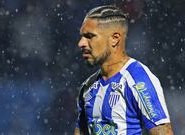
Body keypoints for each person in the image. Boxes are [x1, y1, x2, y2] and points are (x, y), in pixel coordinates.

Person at [74, 5, 174, 135]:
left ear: (115, 38)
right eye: (82, 36)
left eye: (89, 36)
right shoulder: (88, 86)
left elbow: (163, 132)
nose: (81, 43)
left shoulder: (139, 80)